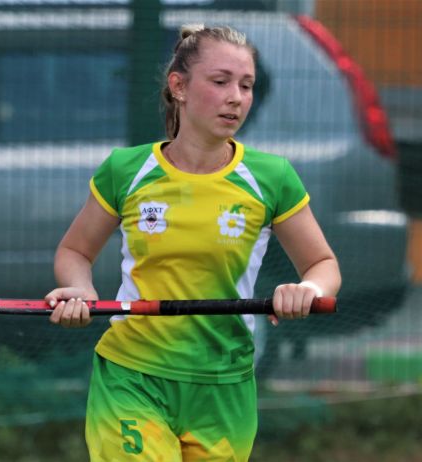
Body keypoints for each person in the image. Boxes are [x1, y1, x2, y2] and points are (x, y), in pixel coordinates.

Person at [45, 23, 341, 462]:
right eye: (220, 82)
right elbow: (75, 252)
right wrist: (80, 290)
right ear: (179, 87)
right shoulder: (127, 170)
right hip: (133, 376)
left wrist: (308, 290)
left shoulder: (271, 177)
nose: (235, 97)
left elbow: (322, 264)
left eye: (246, 85)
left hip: (224, 386)